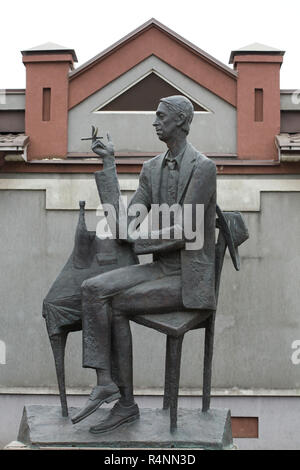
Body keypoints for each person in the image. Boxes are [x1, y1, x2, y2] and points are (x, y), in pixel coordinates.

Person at [71, 95, 217, 433]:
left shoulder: (203, 168)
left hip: (190, 279)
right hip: (159, 269)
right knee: (92, 288)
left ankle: (125, 404)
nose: (155, 121)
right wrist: (109, 165)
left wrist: (137, 240)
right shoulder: (151, 168)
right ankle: (105, 381)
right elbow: (125, 223)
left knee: (117, 304)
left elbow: (186, 230)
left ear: (181, 121)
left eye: (161, 116)